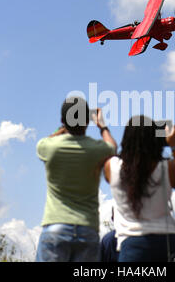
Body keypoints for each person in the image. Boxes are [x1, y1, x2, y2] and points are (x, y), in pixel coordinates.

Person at [35, 97, 117, 262]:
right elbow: (113, 148)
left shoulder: (48, 147)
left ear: (62, 121)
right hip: (87, 229)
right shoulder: (97, 149)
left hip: (56, 225)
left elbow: (47, 139)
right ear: (87, 121)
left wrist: (63, 127)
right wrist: (102, 126)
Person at [103, 115, 175, 262]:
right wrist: (174, 147)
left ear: (126, 139)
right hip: (167, 243)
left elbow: (110, 149)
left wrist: (103, 128)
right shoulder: (167, 167)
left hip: (133, 245)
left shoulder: (112, 167)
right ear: (154, 140)